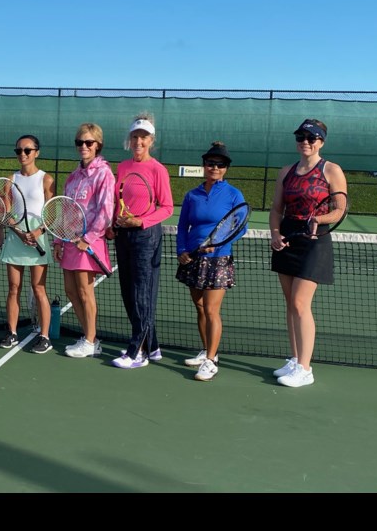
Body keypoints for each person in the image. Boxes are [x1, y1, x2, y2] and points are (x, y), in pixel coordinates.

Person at [269, 119, 348, 388]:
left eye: (311, 138)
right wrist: (275, 233)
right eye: (301, 137)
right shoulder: (286, 172)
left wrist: (320, 219)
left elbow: (340, 208)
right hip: (288, 238)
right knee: (290, 304)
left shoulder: (331, 170)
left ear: (321, 142)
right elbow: (276, 209)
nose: (305, 142)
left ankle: (305, 368)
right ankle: (294, 359)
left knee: (301, 304)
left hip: (315, 241)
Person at [175, 141, 247, 381]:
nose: (214, 168)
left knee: (211, 309)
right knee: (199, 306)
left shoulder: (233, 194)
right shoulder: (192, 195)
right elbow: (183, 226)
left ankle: (210, 361)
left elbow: (241, 227)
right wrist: (182, 250)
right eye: (210, 163)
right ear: (204, 165)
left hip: (218, 258)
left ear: (225, 168)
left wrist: (219, 242)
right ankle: (207, 350)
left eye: (219, 165)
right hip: (193, 257)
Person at [110, 113, 174, 369]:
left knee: (141, 293)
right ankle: (153, 345)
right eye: (135, 137)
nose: (138, 142)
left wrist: (141, 222)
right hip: (123, 235)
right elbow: (119, 200)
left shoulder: (158, 170)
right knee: (129, 292)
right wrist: (116, 222)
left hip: (146, 236)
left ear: (151, 140)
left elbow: (167, 207)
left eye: (143, 137)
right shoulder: (123, 167)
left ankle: (137, 352)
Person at [54, 122, 115, 359]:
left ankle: (89, 341)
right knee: (70, 291)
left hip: (88, 243)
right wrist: (59, 241)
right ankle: (91, 338)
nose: (84, 146)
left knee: (84, 291)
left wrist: (87, 239)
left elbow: (106, 211)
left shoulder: (104, 173)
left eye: (89, 142)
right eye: (80, 142)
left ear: (98, 145)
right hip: (69, 241)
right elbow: (65, 210)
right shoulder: (73, 177)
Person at [0, 135, 56, 354]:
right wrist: (19, 232)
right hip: (16, 238)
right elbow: (6, 212)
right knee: (13, 288)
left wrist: (38, 231)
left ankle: (45, 336)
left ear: (36, 152)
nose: (23, 154)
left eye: (27, 150)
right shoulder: (10, 179)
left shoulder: (46, 180)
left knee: (39, 288)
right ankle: (11, 332)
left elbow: (52, 214)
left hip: (37, 236)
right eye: (19, 150)